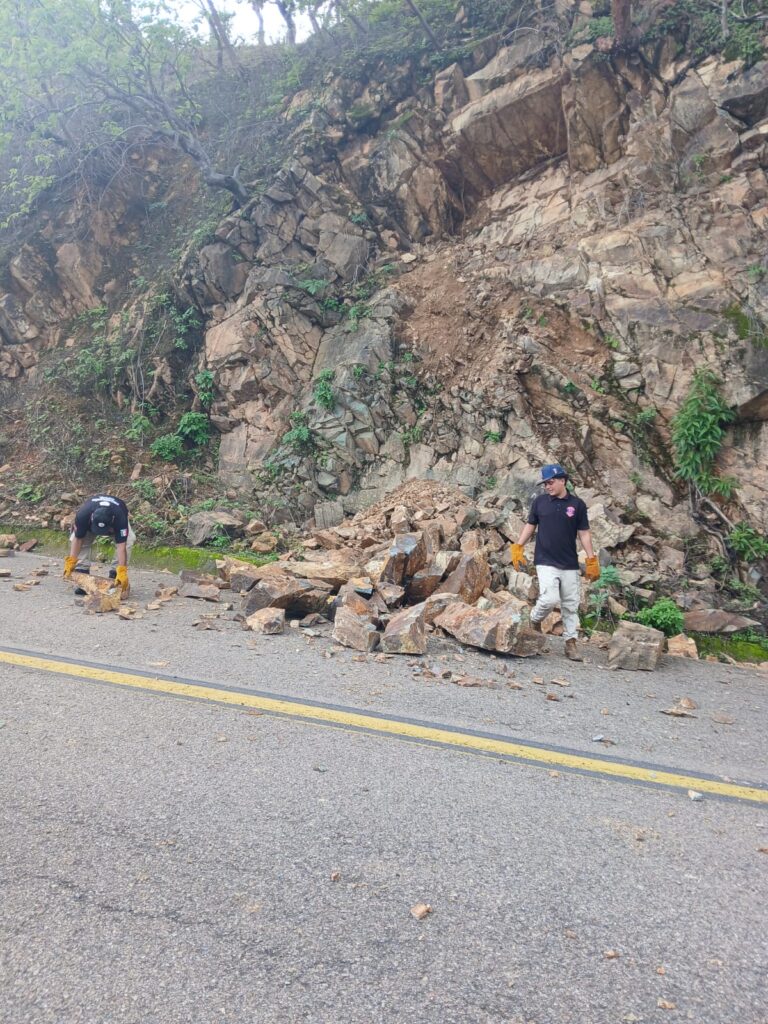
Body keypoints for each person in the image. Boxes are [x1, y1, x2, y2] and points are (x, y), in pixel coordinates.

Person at [511, 464, 600, 662]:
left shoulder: (577, 505)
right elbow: (530, 525)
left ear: (562, 480)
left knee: (570, 604)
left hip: (569, 562)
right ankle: (534, 621)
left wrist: (591, 558)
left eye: (550, 482)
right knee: (550, 599)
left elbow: (584, 533)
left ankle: (570, 642)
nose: (547, 487)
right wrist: (518, 547)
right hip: (545, 560)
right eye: (545, 484)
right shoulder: (540, 502)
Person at [63, 495, 134, 595]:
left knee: (129, 540)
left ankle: (115, 576)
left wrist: (122, 570)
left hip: (116, 519)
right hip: (89, 521)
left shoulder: (120, 518)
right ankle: (82, 574)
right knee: (81, 539)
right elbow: (78, 539)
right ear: (92, 518)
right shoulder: (83, 515)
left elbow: (121, 547)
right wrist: (71, 561)